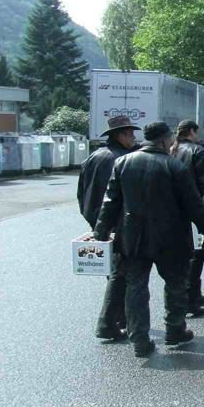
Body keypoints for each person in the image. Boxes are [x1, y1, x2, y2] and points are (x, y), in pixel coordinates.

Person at [93, 121, 204, 358]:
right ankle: (175, 330)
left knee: (136, 287)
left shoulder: (123, 163)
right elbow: (194, 206)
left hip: (133, 237)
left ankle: (139, 339)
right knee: (175, 284)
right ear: (163, 139)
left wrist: (100, 232)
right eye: (170, 138)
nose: (172, 142)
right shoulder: (175, 167)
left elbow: (110, 203)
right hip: (171, 237)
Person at [77, 115, 139, 342]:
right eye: (130, 133)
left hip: (98, 222)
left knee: (114, 273)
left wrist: (94, 222)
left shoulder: (93, 157)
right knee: (122, 274)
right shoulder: (124, 159)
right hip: (119, 223)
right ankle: (112, 322)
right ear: (120, 135)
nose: (134, 137)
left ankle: (119, 319)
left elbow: (81, 193)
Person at [172, 119, 204, 316]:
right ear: (191, 132)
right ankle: (191, 299)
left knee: (181, 256)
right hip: (196, 210)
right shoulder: (198, 151)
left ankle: (193, 294)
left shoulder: (171, 150)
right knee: (198, 255)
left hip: (175, 211)